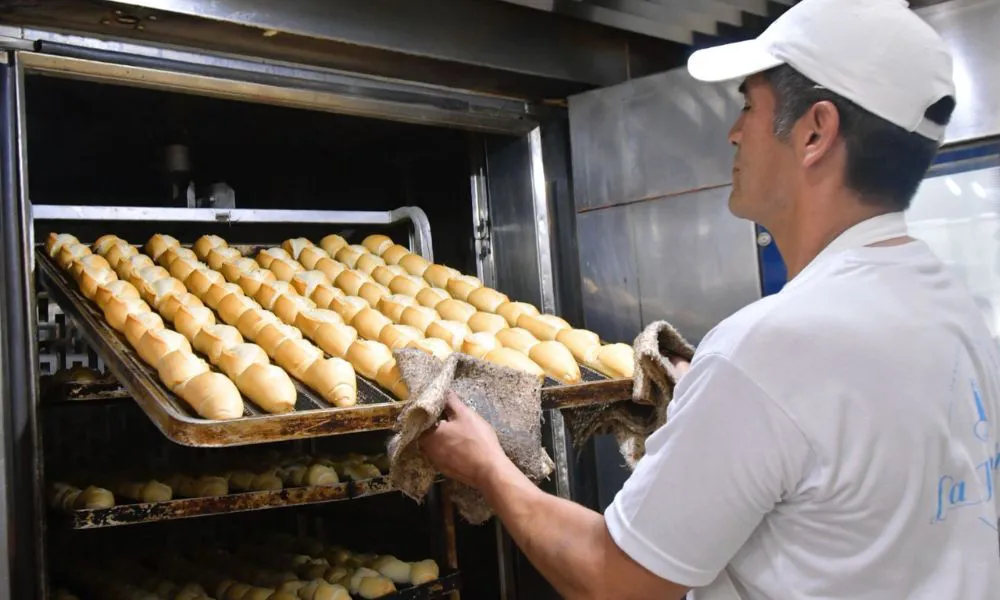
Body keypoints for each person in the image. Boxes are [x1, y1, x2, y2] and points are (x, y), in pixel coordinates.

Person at [418, 0, 1000, 597]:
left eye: (748, 103)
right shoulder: (953, 309)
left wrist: (488, 467)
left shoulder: (770, 351)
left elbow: (615, 582)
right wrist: (719, 397)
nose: (733, 131)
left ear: (815, 132)